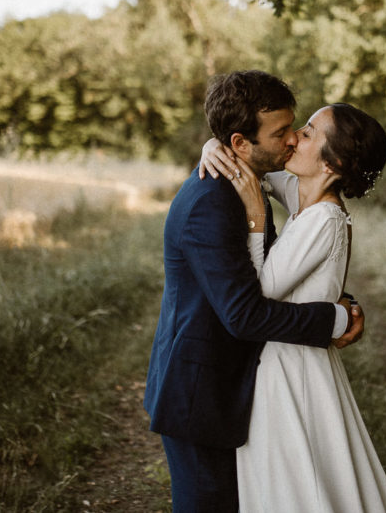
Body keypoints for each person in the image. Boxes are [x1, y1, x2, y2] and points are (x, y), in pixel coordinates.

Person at [143, 71, 364, 512]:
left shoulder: (250, 179)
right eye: (281, 133)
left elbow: (293, 266)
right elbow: (245, 314)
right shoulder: (213, 201)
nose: (292, 141)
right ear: (241, 143)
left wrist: (217, 142)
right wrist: (336, 318)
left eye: (295, 128)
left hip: (233, 385)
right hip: (202, 393)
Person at [200, 102, 386, 512]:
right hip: (287, 356)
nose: (294, 138)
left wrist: (257, 219)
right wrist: (212, 145)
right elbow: (248, 167)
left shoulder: (324, 218)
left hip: (294, 369)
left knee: (303, 480)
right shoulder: (304, 195)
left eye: (308, 133)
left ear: (336, 162)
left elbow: (260, 292)